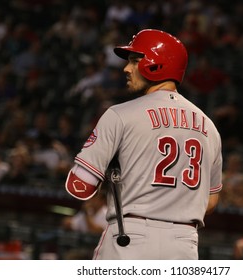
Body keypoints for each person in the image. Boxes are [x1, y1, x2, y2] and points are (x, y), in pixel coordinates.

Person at [65, 29, 222, 260]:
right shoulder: (209, 127)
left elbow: (80, 186)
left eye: (135, 61)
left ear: (156, 65)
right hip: (184, 244)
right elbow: (211, 200)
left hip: (130, 238)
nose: (126, 69)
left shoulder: (120, 114)